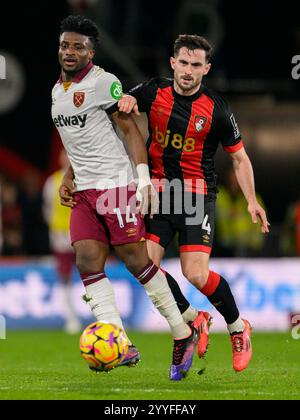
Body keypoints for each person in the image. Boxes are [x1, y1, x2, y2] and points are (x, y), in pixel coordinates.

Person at [52, 15, 204, 381]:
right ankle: (118, 340)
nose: (69, 52)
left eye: (78, 46)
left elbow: (130, 131)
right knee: (87, 260)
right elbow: (78, 143)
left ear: (91, 51)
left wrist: (142, 180)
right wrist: (69, 177)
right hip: (85, 191)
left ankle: (183, 331)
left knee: (136, 261)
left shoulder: (105, 84)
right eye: (64, 45)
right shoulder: (56, 92)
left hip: (115, 184)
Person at [118, 34, 270, 372]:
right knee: (146, 268)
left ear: (207, 68)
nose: (188, 71)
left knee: (195, 274)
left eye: (196, 65)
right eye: (183, 63)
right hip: (158, 193)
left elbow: (240, 159)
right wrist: (127, 99)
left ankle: (237, 327)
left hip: (197, 196)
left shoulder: (217, 109)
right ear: (173, 63)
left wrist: (250, 201)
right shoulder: (154, 91)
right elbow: (126, 98)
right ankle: (193, 318)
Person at [43, 149, 81, 334]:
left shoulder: (83, 177)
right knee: (65, 276)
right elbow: (47, 208)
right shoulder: (52, 181)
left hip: (82, 232)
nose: (65, 158)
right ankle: (70, 317)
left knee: (89, 271)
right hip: (61, 233)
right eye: (63, 155)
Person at [214, 167, 267, 257]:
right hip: (222, 246)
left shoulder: (253, 199)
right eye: (232, 177)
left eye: (238, 177)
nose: (234, 181)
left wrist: (255, 244)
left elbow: (260, 224)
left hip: (248, 248)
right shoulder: (218, 195)